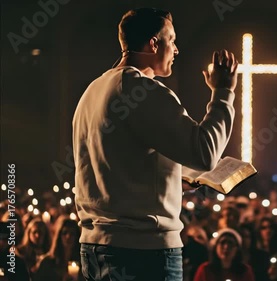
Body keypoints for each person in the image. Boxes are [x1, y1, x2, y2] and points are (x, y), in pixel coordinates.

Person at [72, 7, 238, 281]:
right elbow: (205, 153)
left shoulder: (93, 91)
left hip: (95, 245)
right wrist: (223, 93)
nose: (176, 49)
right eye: (171, 40)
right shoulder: (142, 91)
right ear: (153, 43)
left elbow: (117, 164)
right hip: (141, 252)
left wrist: (173, 179)